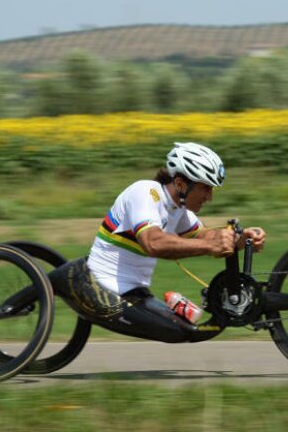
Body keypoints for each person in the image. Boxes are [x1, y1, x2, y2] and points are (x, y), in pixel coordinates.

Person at [48, 142, 266, 343]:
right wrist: (212, 245)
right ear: (181, 184)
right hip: (96, 286)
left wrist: (239, 241)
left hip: (135, 293)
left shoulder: (178, 209)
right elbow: (153, 243)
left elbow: (203, 237)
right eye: (206, 188)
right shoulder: (145, 193)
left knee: (189, 330)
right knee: (182, 332)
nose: (210, 197)